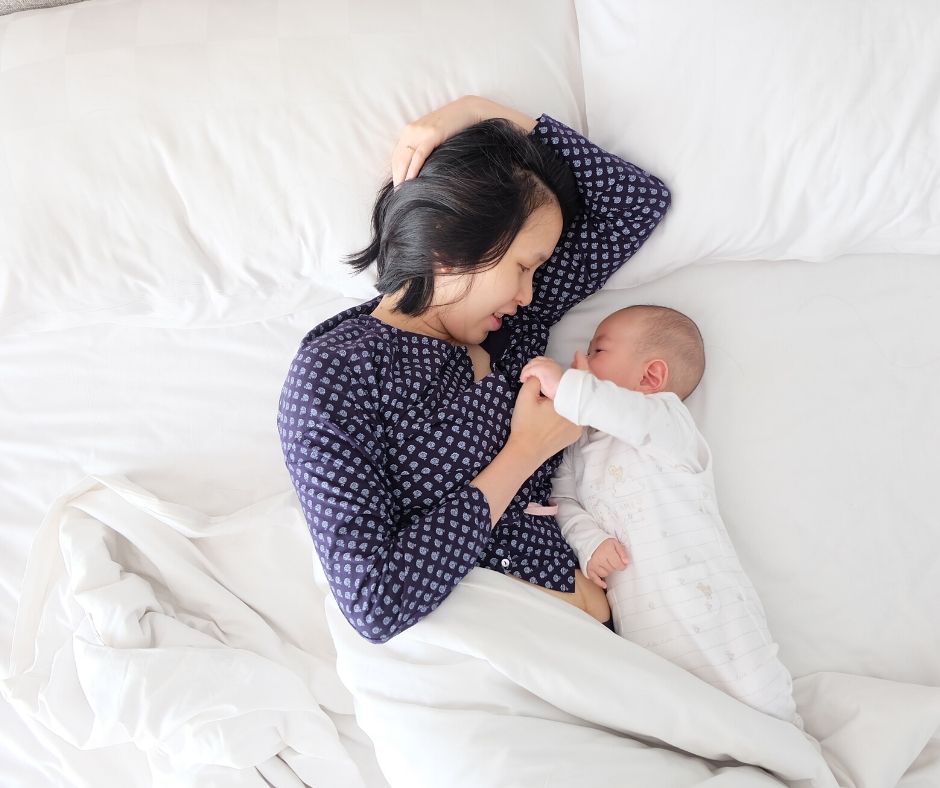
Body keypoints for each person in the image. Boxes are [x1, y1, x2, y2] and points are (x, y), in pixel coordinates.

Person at [277, 95, 670, 644]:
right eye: (523, 267)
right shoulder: (335, 374)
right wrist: (524, 452)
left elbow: (635, 203)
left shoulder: (512, 328)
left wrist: (481, 113)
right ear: (453, 243)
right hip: (489, 654)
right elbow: (374, 601)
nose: (530, 291)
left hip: (597, 644)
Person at [520, 305, 801, 724]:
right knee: (678, 723)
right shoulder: (581, 443)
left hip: (716, 614)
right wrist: (590, 542)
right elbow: (564, 503)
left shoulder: (668, 422)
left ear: (650, 378)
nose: (581, 359)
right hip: (649, 637)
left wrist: (569, 386)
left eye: (597, 351)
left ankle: (790, 745)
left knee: (761, 703)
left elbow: (619, 411)